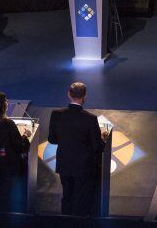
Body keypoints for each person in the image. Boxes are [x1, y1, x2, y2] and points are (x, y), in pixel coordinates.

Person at [48, 82, 106, 217]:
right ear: (84, 97)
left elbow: (52, 139)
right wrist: (104, 138)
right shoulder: (91, 119)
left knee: (67, 196)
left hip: (64, 164)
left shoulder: (56, 114)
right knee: (81, 200)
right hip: (83, 167)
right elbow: (97, 146)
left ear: (69, 94)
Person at [0, 92, 29, 213]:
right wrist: (26, 135)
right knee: (7, 197)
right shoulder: (8, 124)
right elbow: (20, 145)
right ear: (2, 106)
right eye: (6, 101)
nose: (7, 102)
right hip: (7, 166)